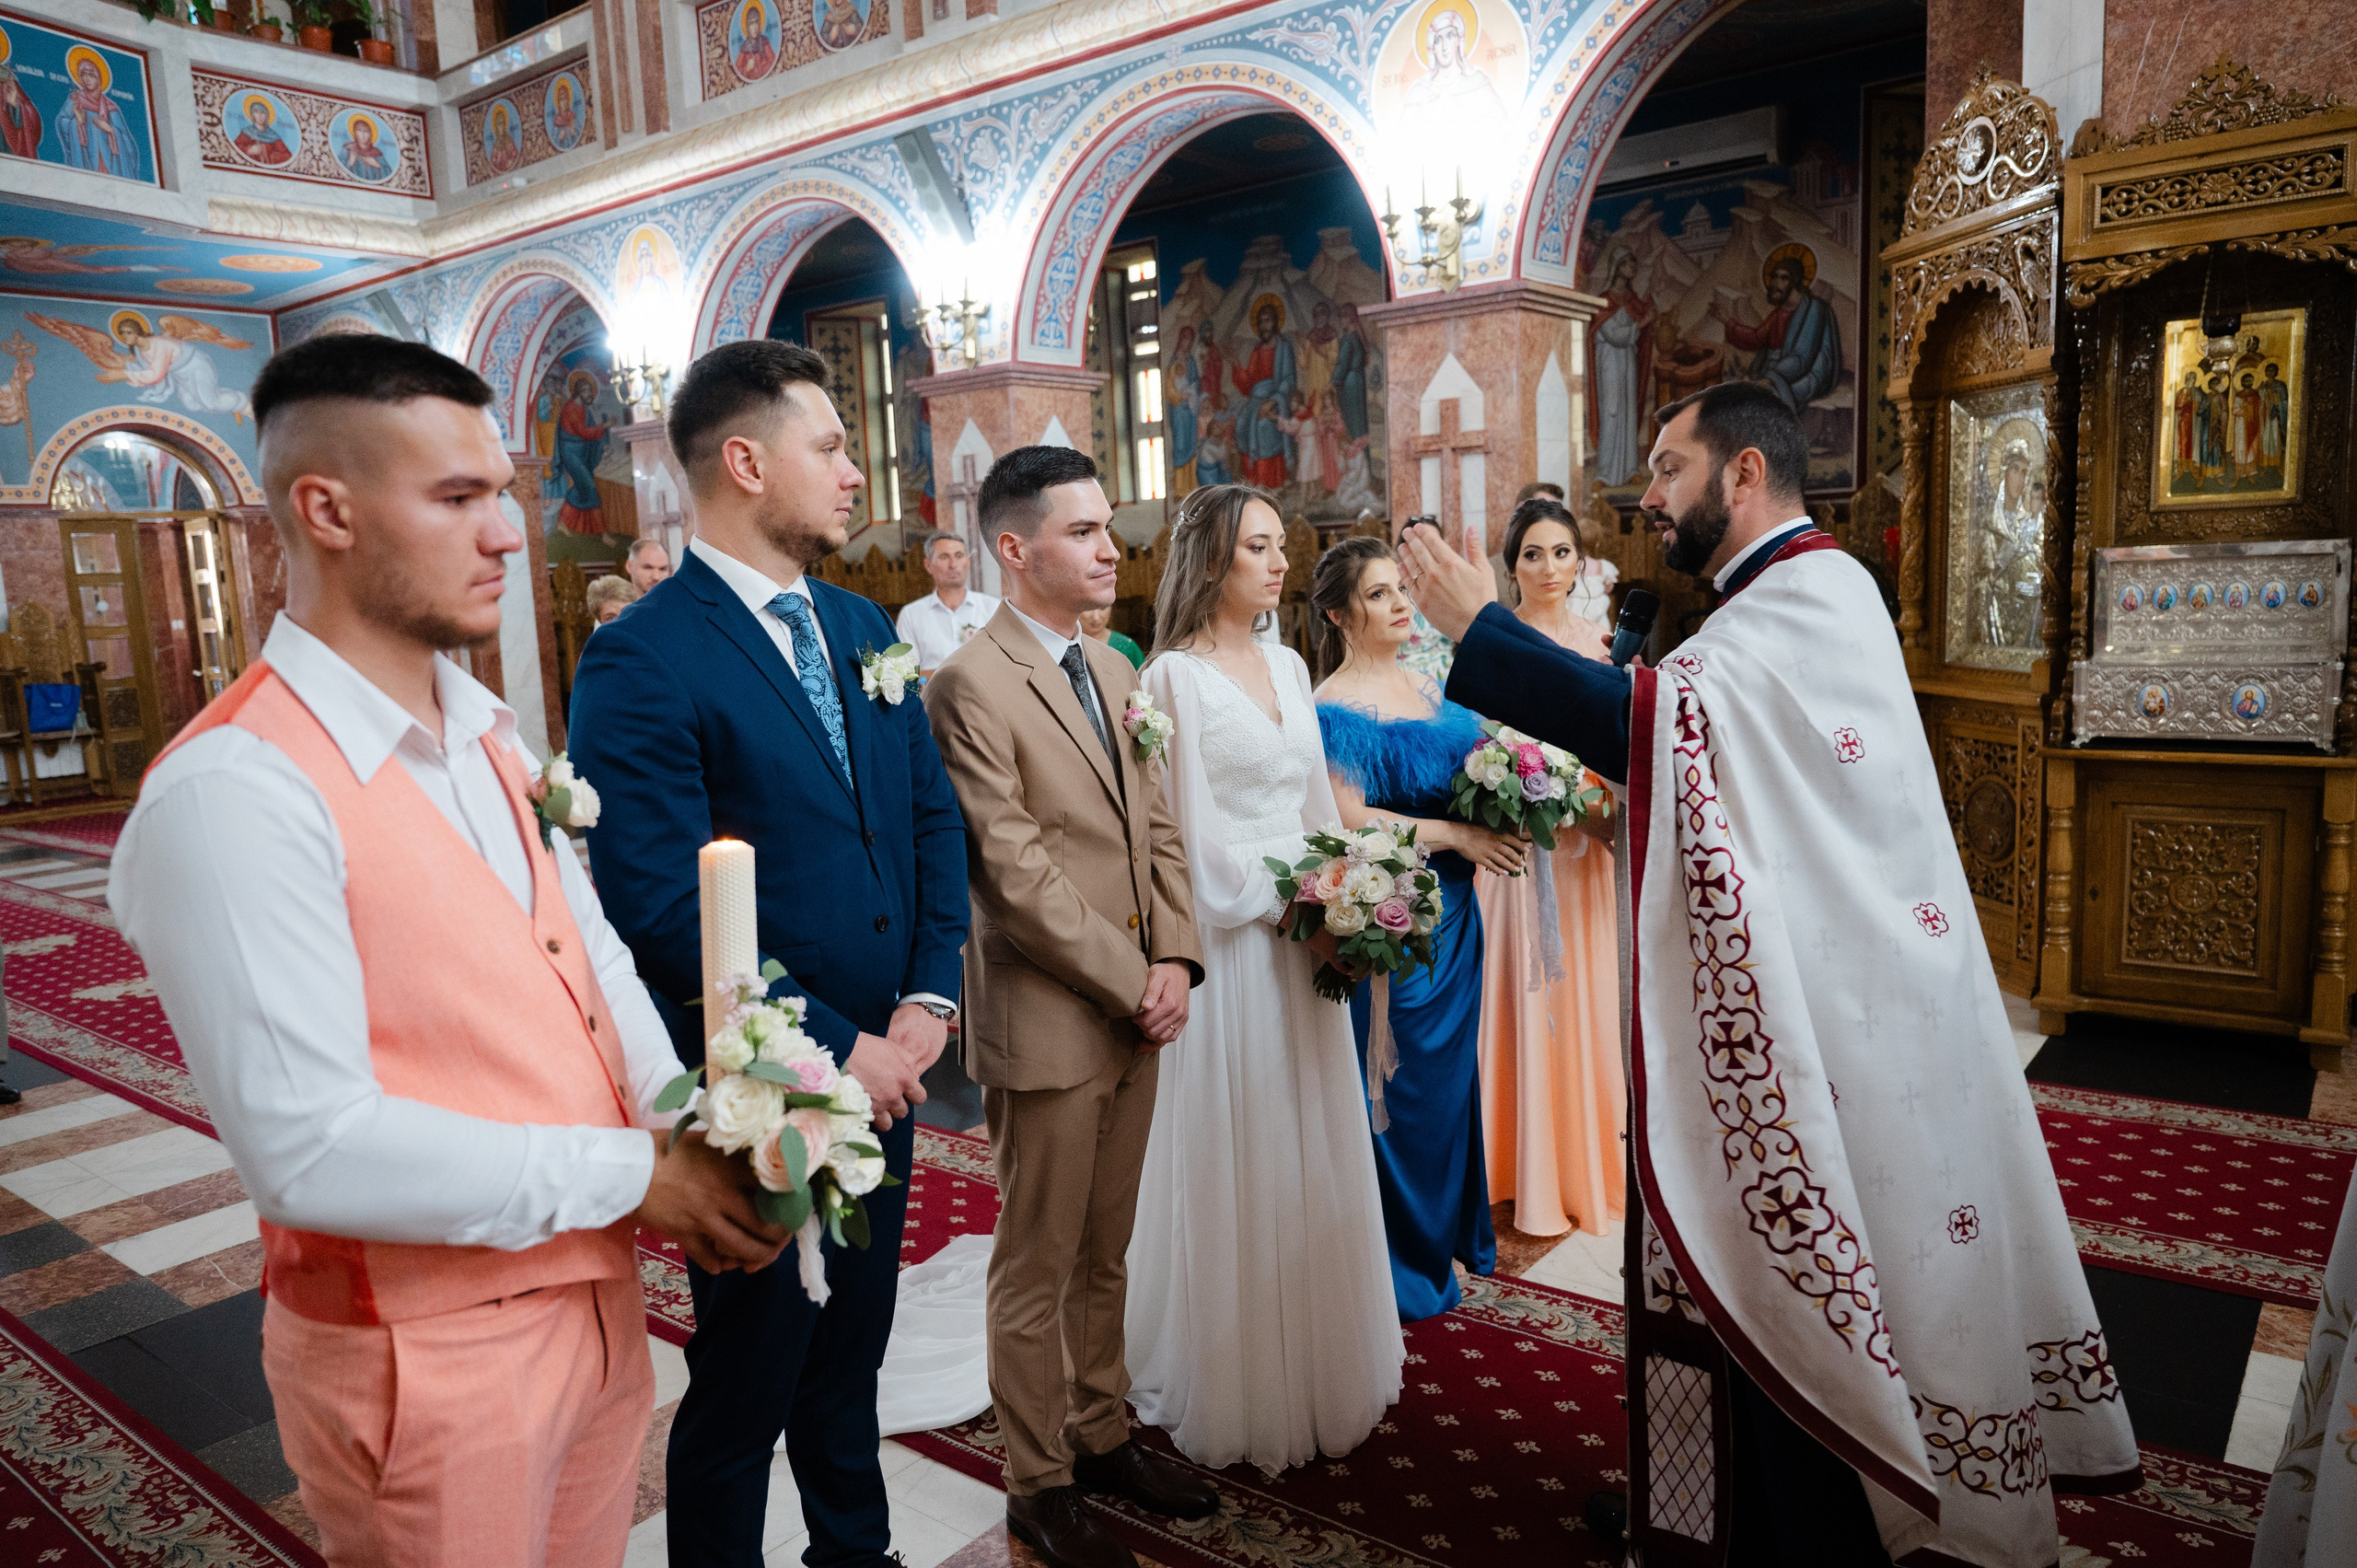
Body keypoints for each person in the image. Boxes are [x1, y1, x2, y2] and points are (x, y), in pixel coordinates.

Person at [1399, 379, 2137, 1565]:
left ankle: (1807, 1530)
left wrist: (1480, 630)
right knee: (1754, 1257)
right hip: (1810, 994)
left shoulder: (1810, 595)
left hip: (1842, 1021)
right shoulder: (1768, 601)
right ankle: (1717, 1509)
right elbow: (1689, 747)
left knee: (1806, 1258)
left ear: (1743, 472)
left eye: (1669, 467)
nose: (1648, 494)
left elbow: (1651, 723)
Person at [107, 338, 787, 1566]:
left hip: (591, 1301)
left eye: (504, 494)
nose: (510, 535)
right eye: (459, 497)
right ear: (328, 510)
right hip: (424, 1353)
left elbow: (591, 959)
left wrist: (691, 1123)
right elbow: (309, 1148)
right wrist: (637, 1175)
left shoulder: (488, 735)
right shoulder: (235, 787)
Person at [567, 341, 966, 1568]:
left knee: (852, 1356)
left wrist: (928, 991)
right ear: (745, 461)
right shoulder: (644, 653)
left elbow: (927, 818)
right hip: (761, 1080)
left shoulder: (860, 624)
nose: (854, 472)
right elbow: (654, 901)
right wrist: (837, 1043)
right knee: (750, 1380)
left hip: (892, 1059)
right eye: (831, 445)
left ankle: (856, 1552)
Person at [923, 447, 1213, 1568]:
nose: (1109, 548)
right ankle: (1037, 1479)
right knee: (1038, 1260)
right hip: (1050, 1012)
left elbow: (1159, 826)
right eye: (1083, 531)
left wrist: (1175, 954)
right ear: (1014, 546)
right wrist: (1132, 976)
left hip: (1137, 1000)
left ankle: (1101, 1429)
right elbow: (1011, 872)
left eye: (1107, 527)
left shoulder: (1115, 668)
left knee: (1107, 1245)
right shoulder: (970, 683)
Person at [1124, 485, 1403, 1472]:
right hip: (1235, 944)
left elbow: (1312, 804)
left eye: (1281, 544)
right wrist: (1294, 902)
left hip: (1306, 935)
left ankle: (1320, 1351)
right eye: (1258, 546)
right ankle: (1231, 1367)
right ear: (1211, 558)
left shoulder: (1290, 662)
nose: (1280, 562)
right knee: (1238, 1134)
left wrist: (1349, 898)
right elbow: (1186, 844)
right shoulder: (1171, 678)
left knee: (1308, 1132)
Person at [1311, 537, 1522, 1319]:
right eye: (1378, 594)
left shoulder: (1432, 685)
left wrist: (1509, 796)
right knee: (1398, 1087)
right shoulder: (1331, 705)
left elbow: (1471, 774)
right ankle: (1395, 1264)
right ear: (1338, 614)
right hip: (1393, 919)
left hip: (1460, 917)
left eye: (1401, 589)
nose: (1401, 604)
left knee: (1448, 1083)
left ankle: (1437, 1244)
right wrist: (1459, 835)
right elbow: (1351, 818)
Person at [1474, 495, 1624, 1240]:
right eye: (1532, 553)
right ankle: (1509, 1167)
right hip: (1511, 859)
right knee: (1518, 999)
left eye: (1561, 552)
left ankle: (1580, 1165)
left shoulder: (1602, 647)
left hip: (1580, 858)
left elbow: (1619, 757)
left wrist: (1584, 803)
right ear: (1512, 566)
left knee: (1582, 1000)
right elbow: (1470, 750)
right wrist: (1507, 787)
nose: (1548, 567)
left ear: (1580, 561)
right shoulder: (1493, 645)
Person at [895, 529, 1000, 675]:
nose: (953, 564)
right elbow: (907, 673)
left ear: (968, 562)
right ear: (928, 565)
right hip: (931, 689)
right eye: (944, 557)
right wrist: (951, 677)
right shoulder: (911, 615)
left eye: (959, 556)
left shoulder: (993, 608)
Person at [1078, 602, 1142, 668]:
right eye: (1088, 608)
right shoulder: (1071, 643)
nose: (1096, 617)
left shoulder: (1127, 646)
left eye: (1102, 608)